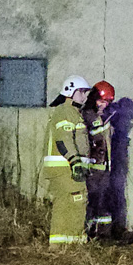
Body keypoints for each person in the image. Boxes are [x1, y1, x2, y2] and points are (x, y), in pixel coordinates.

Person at [43, 75, 93, 245]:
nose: (85, 97)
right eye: (83, 92)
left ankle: (70, 245)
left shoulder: (72, 113)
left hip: (67, 167)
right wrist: (74, 161)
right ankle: (64, 246)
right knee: (72, 201)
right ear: (71, 92)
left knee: (72, 202)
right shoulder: (65, 112)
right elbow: (63, 139)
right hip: (64, 168)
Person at [82, 80, 116, 239]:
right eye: (101, 101)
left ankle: (104, 235)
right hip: (93, 169)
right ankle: (88, 233)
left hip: (104, 169)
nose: (104, 105)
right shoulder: (87, 116)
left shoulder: (102, 117)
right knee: (92, 202)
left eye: (108, 102)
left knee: (104, 202)